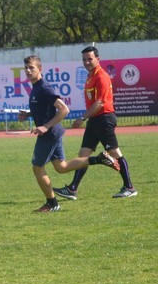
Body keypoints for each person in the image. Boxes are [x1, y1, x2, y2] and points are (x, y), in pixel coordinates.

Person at [18, 55, 122, 213]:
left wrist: (45, 127)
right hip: (55, 132)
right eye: (26, 68)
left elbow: (64, 109)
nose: (28, 70)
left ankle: (52, 203)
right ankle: (99, 159)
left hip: (50, 134)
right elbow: (44, 109)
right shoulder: (36, 87)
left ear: (40, 69)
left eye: (31, 67)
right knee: (62, 167)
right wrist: (28, 114)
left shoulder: (43, 87)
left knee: (37, 168)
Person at [55, 46, 137, 200]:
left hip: (104, 119)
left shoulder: (101, 76)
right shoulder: (90, 75)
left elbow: (99, 103)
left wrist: (83, 118)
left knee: (115, 153)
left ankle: (129, 187)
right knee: (83, 154)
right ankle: (72, 189)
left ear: (98, 59)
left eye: (89, 59)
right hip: (95, 120)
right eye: (84, 59)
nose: (86, 62)